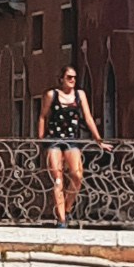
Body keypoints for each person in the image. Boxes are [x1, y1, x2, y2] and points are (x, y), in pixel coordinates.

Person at [38, 62, 100, 221]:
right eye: (69, 77)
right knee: (58, 179)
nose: (72, 80)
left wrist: (98, 140)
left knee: (77, 176)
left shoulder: (80, 95)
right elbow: (43, 116)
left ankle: (66, 208)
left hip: (72, 140)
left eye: (74, 78)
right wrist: (39, 140)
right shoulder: (52, 95)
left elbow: (88, 118)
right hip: (53, 140)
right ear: (61, 79)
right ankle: (62, 219)